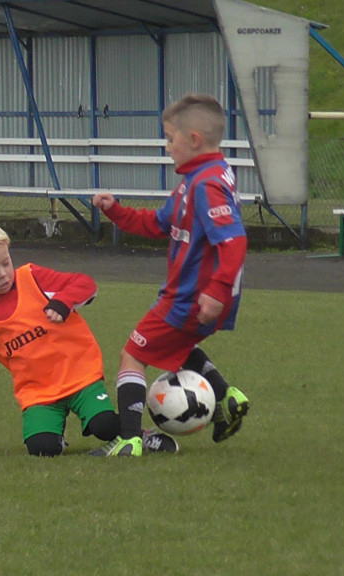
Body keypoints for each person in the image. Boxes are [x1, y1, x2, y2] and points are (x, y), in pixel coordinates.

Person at [0, 218, 177, 456]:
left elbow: (85, 284)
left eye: (5, 263)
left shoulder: (33, 278)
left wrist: (63, 301)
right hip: (39, 393)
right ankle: (54, 435)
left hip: (80, 375)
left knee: (104, 424)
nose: (3, 274)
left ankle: (139, 434)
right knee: (42, 449)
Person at [89, 93, 250, 457]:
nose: (167, 147)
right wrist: (117, 212)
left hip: (191, 297)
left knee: (132, 354)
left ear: (193, 139)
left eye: (170, 138)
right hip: (198, 296)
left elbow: (234, 239)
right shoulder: (199, 178)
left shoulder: (205, 185)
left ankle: (129, 439)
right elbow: (160, 223)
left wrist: (217, 289)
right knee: (177, 347)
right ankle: (228, 397)